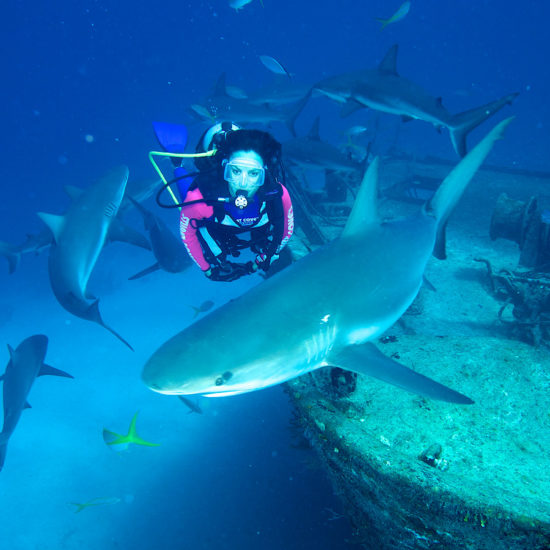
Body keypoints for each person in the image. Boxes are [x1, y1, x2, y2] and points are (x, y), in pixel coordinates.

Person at [162, 122, 294, 281]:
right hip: (218, 222)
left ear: (264, 174)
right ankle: (177, 164)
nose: (243, 183)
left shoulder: (277, 196)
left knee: (265, 240)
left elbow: (286, 230)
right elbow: (188, 235)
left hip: (248, 223)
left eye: (253, 173)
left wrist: (267, 255)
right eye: (236, 171)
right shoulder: (199, 201)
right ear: (225, 168)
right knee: (190, 201)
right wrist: (208, 269)